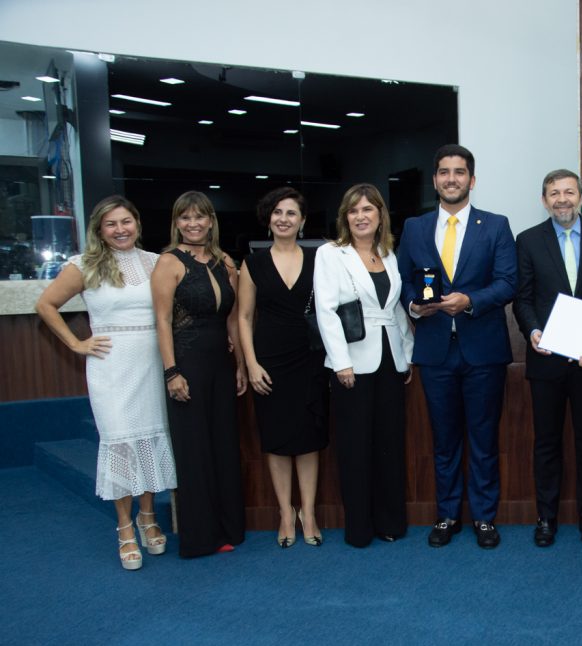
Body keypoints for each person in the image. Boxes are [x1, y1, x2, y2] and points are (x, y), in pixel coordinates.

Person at [36, 196, 176, 570]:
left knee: (149, 438)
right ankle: (125, 528)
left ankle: (149, 517)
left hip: (151, 364)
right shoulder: (83, 265)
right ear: (99, 229)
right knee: (121, 442)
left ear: (137, 224)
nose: (120, 230)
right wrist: (76, 344)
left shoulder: (155, 262)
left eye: (126, 221)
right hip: (111, 368)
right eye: (111, 224)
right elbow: (45, 305)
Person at [397, 144, 517, 549]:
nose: (452, 178)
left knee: (483, 439)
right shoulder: (414, 227)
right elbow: (405, 281)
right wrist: (414, 304)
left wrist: (471, 301)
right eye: (444, 172)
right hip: (434, 352)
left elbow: (507, 282)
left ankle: (484, 518)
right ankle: (447, 515)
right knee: (444, 440)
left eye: (460, 172)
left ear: (472, 179)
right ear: (435, 180)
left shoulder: (496, 225)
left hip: (483, 350)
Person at [513, 169, 582, 547]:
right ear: (544, 200)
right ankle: (546, 519)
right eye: (554, 193)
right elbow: (523, 298)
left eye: (569, 192)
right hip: (546, 359)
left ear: (580, 197)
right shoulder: (527, 240)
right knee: (546, 442)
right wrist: (533, 331)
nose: (562, 199)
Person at [314, 183, 414, 547]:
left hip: (390, 362)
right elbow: (326, 311)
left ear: (380, 216)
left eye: (368, 209)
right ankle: (359, 528)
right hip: (351, 365)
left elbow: (396, 309)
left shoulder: (389, 254)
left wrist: (407, 354)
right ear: (345, 217)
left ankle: (389, 522)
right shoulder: (330, 254)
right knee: (356, 447)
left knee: (389, 445)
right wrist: (340, 362)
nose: (360, 216)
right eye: (353, 210)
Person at [151, 190, 247, 558]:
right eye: (185, 218)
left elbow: (234, 320)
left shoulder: (225, 262)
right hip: (186, 364)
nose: (193, 224)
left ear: (211, 221)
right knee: (194, 451)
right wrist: (171, 371)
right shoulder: (168, 262)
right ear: (176, 223)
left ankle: (228, 528)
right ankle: (200, 537)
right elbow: (161, 321)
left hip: (221, 366)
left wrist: (238, 363)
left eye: (200, 217)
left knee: (223, 445)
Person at [238, 187, 328, 548]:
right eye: (277, 212)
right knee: (276, 441)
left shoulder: (321, 258)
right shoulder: (252, 263)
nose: (284, 219)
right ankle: (284, 514)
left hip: (310, 358)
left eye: (291, 213)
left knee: (308, 440)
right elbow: (244, 317)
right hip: (269, 362)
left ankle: (309, 513)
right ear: (268, 218)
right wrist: (252, 364)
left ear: (302, 221)